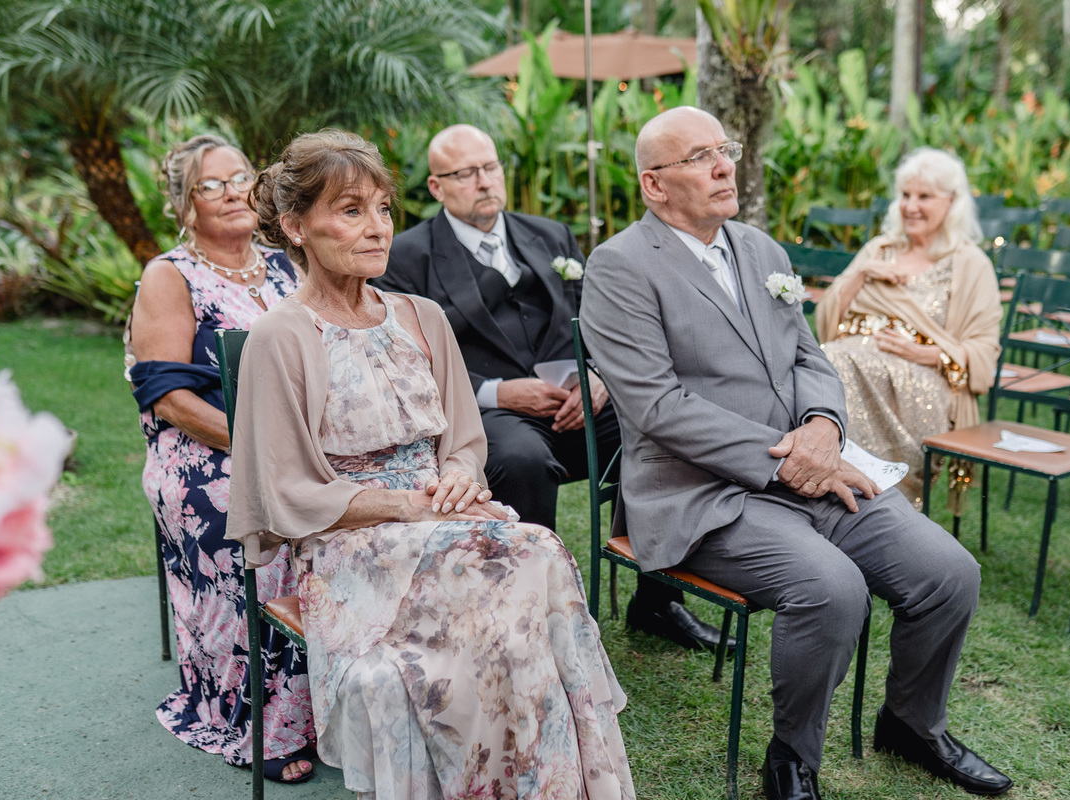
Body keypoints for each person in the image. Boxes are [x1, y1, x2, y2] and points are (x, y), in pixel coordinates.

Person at [580, 107, 1013, 800]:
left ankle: (910, 722)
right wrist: (787, 458)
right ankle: (791, 759)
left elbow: (812, 358)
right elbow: (656, 407)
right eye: (699, 157)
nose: (724, 165)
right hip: (701, 494)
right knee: (831, 589)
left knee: (949, 573)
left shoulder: (761, 250)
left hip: (816, 471)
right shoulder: (619, 267)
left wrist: (822, 426)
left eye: (725, 147)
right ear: (654, 186)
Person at [226, 129, 634, 799]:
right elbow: (284, 494)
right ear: (297, 226)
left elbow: (466, 441)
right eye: (351, 210)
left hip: (448, 522)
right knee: (527, 553)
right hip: (350, 547)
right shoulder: (282, 336)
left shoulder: (422, 316)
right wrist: (406, 503)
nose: (377, 227)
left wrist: (461, 476)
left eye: (384, 208)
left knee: (530, 558)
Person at [377, 123, 731, 653]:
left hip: (577, 400)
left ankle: (656, 602)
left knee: (660, 433)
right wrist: (498, 391)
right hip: (489, 410)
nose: (483, 180)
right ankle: (533, 615)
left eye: (490, 167)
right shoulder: (407, 256)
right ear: (436, 187)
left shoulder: (550, 235)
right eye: (466, 173)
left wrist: (599, 377)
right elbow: (405, 356)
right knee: (520, 461)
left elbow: (603, 318)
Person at [127, 135, 314, 783]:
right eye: (213, 184)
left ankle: (347, 701)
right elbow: (168, 397)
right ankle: (261, 719)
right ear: (185, 203)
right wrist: (261, 447)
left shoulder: (290, 267)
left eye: (240, 178)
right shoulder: (170, 276)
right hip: (204, 454)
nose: (234, 191)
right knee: (261, 528)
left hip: (296, 444)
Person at [816, 148, 1002, 508]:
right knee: (825, 362)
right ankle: (827, 491)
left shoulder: (969, 263)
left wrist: (929, 353)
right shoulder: (879, 249)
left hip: (922, 380)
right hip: (849, 359)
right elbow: (826, 322)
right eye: (905, 195)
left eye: (924, 197)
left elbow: (984, 350)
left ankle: (869, 498)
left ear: (952, 203)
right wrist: (862, 274)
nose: (910, 206)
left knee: (831, 364)